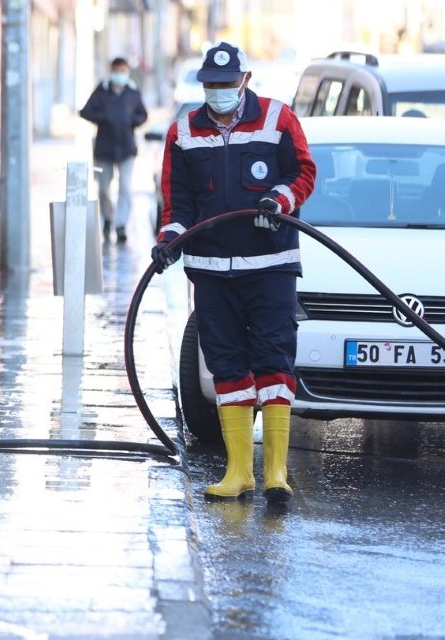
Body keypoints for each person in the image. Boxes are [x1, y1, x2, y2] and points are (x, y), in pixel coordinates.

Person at [152, 42, 316, 503]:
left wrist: (279, 200)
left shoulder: (277, 118)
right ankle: (239, 472)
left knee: (274, 362)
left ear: (244, 80)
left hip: (270, 268)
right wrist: (169, 241)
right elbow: (178, 203)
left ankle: (276, 474)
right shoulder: (183, 132)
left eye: (226, 84)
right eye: (211, 85)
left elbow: (304, 172)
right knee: (226, 367)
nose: (219, 92)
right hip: (210, 272)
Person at [79, 57, 149, 243]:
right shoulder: (101, 91)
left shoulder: (132, 92)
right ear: (111, 71)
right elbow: (85, 111)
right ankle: (108, 218)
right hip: (104, 148)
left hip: (127, 148)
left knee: (125, 188)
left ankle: (121, 225)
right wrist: (104, 117)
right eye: (116, 71)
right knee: (103, 189)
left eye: (123, 71)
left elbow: (143, 114)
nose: (119, 74)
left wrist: (132, 121)